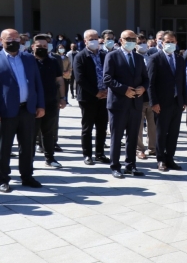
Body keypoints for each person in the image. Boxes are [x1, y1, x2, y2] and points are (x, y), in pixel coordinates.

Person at [0, 29, 45, 192]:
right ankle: (2, 178)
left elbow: (37, 83)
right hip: (6, 112)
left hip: (27, 109)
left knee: (27, 145)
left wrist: (40, 105)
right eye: (9, 39)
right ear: (1, 40)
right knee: (4, 146)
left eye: (16, 38)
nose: (13, 41)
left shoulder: (27, 58)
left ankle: (27, 176)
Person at [103, 30, 149, 178]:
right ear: (121, 40)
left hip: (135, 103)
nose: (130, 41)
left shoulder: (138, 58)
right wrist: (124, 90)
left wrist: (143, 87)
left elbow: (146, 78)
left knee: (133, 136)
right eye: (127, 39)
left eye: (133, 39)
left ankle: (130, 165)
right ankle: (115, 166)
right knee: (116, 137)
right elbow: (107, 78)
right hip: (118, 103)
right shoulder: (112, 56)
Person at [147, 31, 187, 172]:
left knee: (174, 132)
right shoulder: (155, 59)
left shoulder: (180, 59)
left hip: (177, 102)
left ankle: (170, 158)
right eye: (167, 42)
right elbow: (150, 83)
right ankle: (160, 159)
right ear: (162, 43)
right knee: (161, 132)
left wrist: (184, 99)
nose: (170, 44)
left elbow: (183, 81)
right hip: (161, 103)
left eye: (173, 42)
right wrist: (154, 102)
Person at [73, 29, 110, 166]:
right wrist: (96, 92)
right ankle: (87, 154)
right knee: (87, 128)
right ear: (85, 41)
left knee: (102, 127)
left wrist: (106, 91)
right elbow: (80, 78)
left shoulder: (104, 55)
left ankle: (100, 154)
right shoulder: (80, 56)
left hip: (104, 97)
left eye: (96, 38)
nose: (94, 41)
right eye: (91, 39)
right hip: (88, 98)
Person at [32, 35, 67, 168]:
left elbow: (59, 80)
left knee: (48, 132)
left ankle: (50, 158)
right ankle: (29, 161)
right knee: (31, 134)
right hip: (32, 104)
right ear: (33, 46)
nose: (42, 49)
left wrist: (63, 98)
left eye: (45, 47)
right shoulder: (28, 61)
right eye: (39, 46)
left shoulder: (53, 61)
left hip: (50, 101)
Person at [136, 38, 156, 161]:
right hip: (137, 97)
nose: (142, 45)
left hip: (151, 97)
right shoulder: (133, 58)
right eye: (139, 43)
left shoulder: (151, 58)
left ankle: (153, 148)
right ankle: (139, 149)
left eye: (144, 42)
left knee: (153, 125)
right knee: (137, 125)